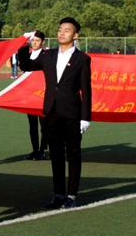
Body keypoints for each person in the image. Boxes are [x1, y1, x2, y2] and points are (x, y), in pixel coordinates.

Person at [17, 17, 92, 209]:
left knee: (73, 154)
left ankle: (72, 196)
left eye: (67, 30)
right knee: (56, 154)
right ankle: (58, 194)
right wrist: (24, 45)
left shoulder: (82, 59)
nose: (61, 33)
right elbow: (26, 66)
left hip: (73, 113)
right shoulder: (48, 55)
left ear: (75, 35)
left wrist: (85, 117)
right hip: (51, 111)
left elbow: (86, 89)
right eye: (60, 29)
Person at [24, 31, 48, 161]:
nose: (34, 43)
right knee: (32, 125)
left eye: (37, 41)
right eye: (32, 40)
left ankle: (42, 150)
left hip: (43, 95)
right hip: (29, 95)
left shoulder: (46, 55)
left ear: (42, 42)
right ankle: (35, 150)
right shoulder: (27, 56)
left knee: (44, 125)